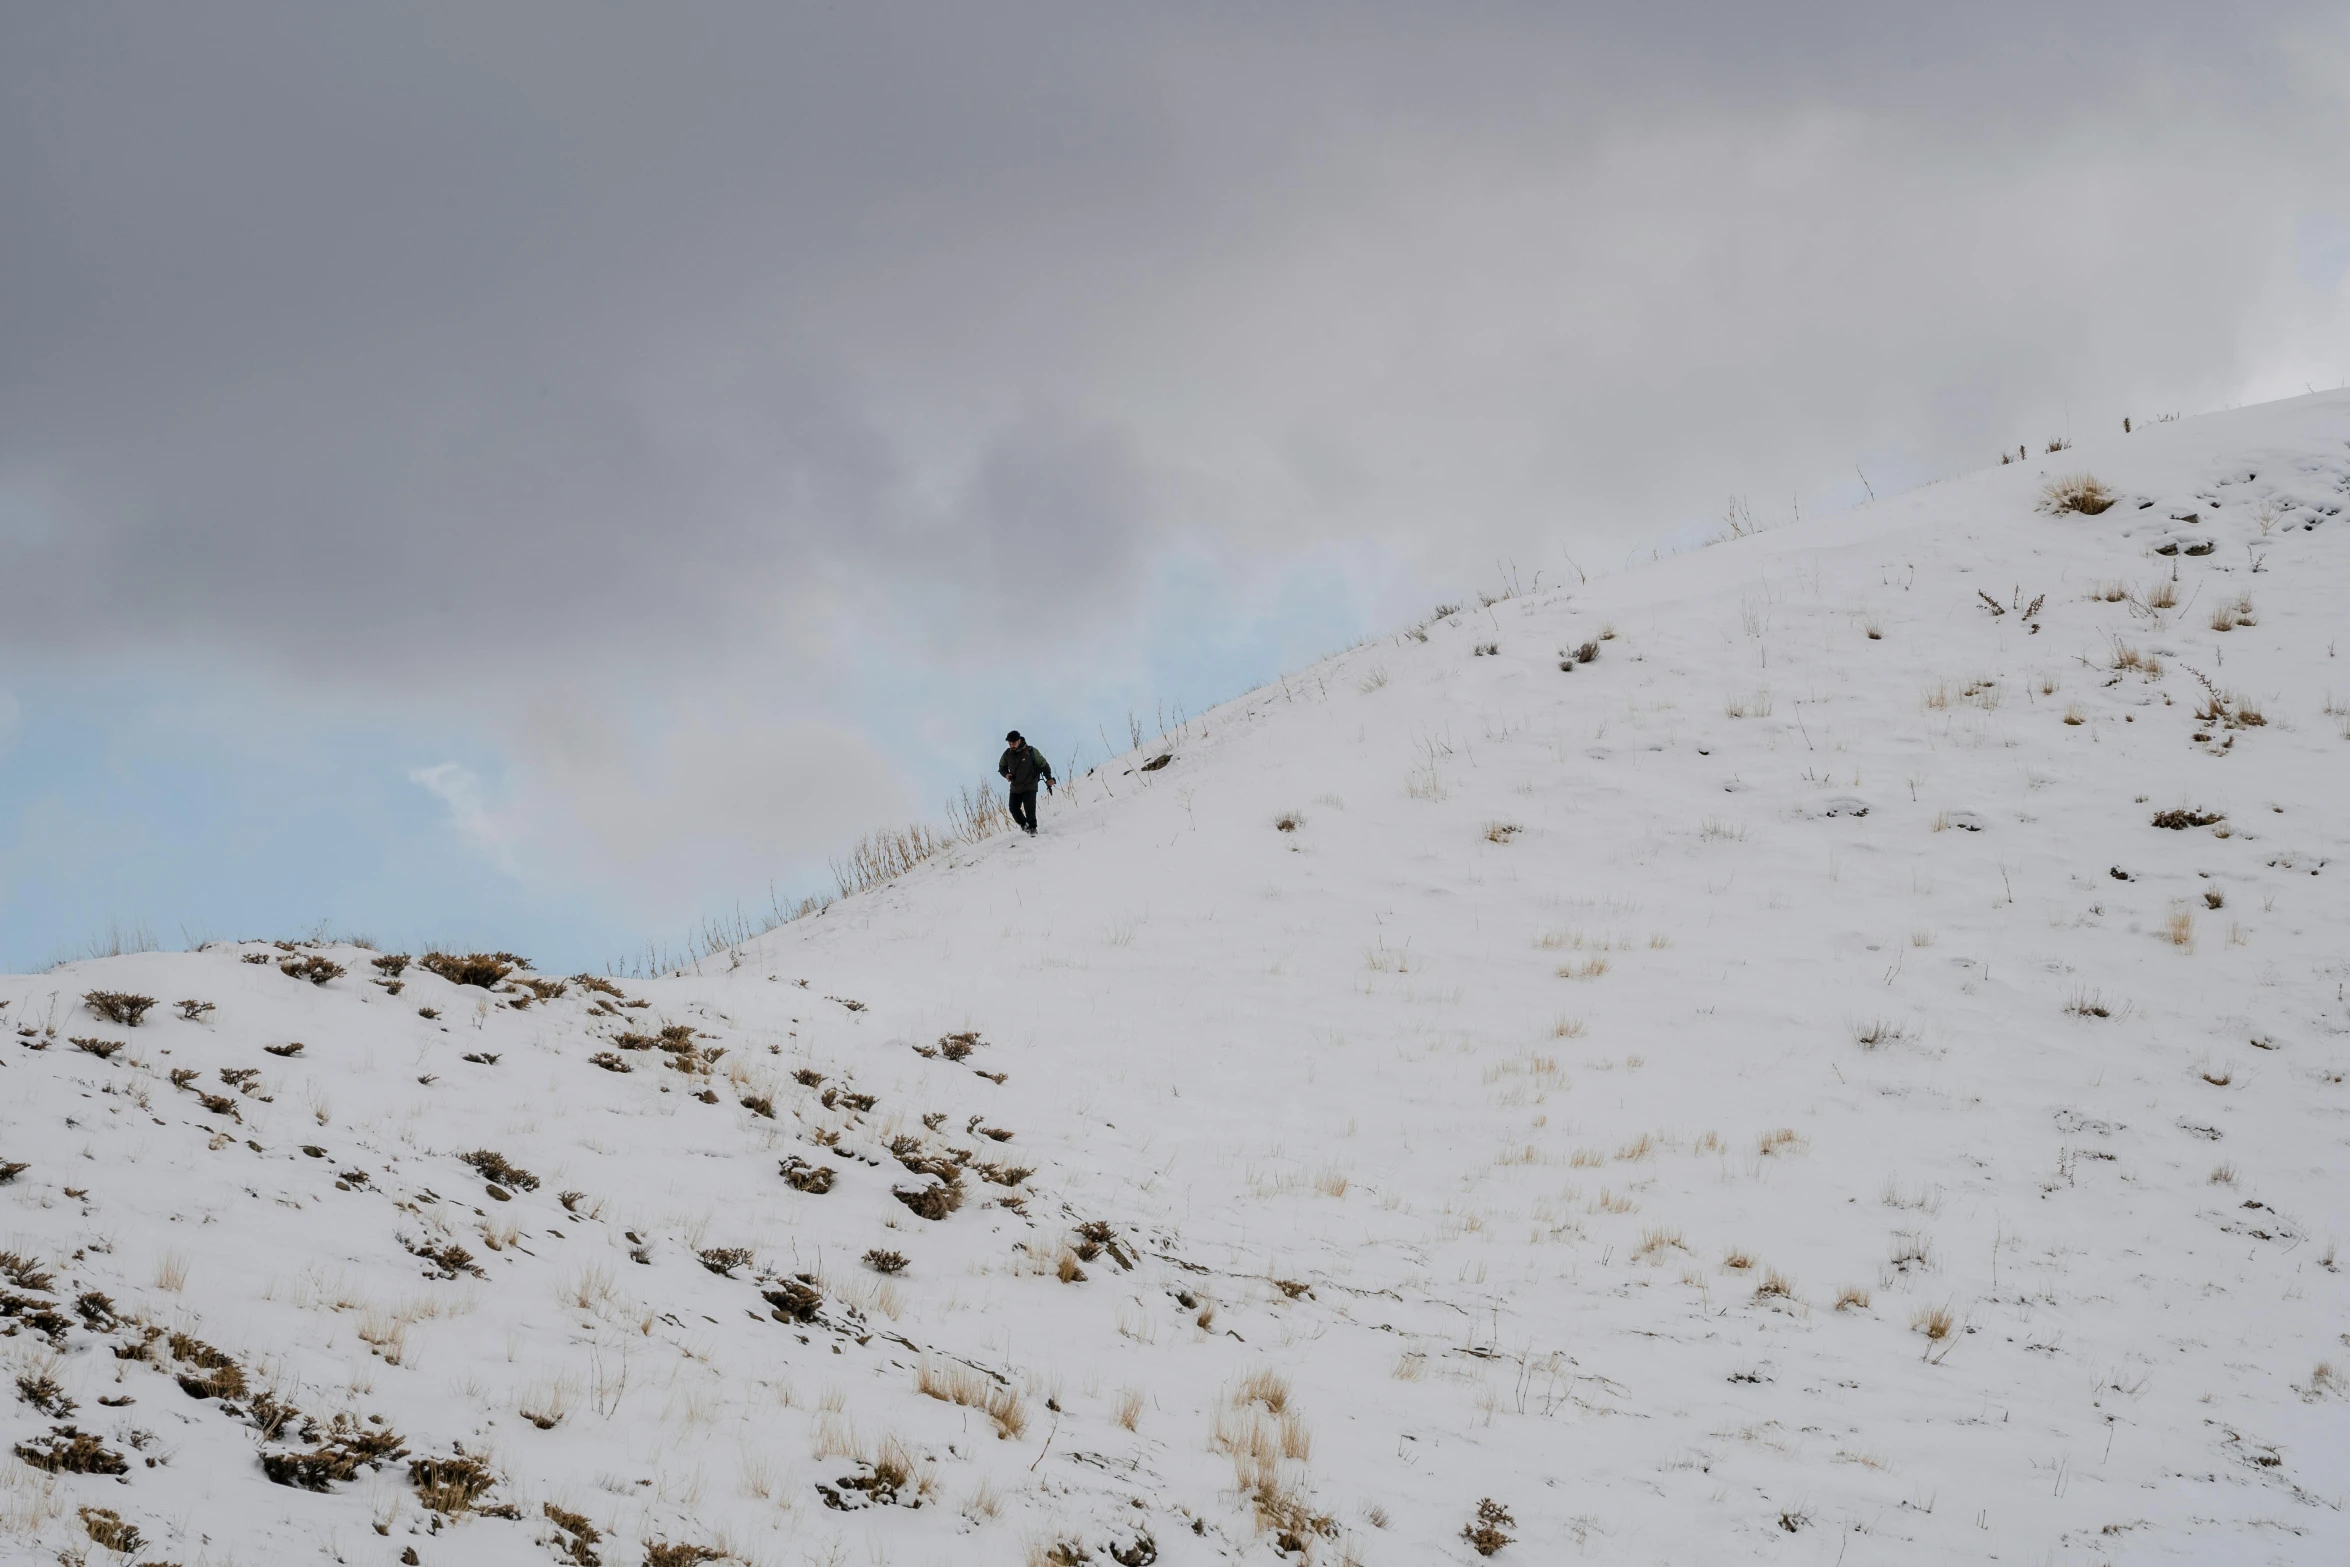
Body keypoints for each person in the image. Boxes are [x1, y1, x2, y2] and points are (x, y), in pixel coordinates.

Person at [997, 730, 1054, 836]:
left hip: (1030, 784)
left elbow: (1044, 765)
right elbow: (1001, 767)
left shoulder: (1031, 751)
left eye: (1013, 743)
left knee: (1029, 808)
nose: (1011, 746)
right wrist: (1006, 774)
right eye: (1009, 744)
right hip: (1015, 786)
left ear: (1019, 741)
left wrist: (1049, 778)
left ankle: (1033, 828)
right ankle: (1024, 825)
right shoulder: (1007, 754)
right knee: (1013, 808)